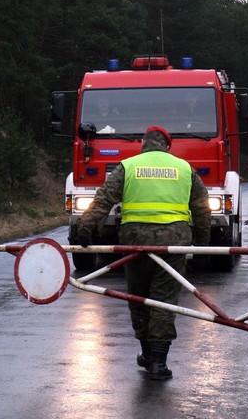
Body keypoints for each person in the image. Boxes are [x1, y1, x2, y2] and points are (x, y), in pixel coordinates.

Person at [76, 126, 210, 381]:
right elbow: (202, 208)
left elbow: (104, 198)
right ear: (166, 146)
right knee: (163, 301)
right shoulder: (183, 168)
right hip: (173, 244)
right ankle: (159, 363)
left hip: (135, 244)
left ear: (144, 145)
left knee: (138, 297)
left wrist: (86, 227)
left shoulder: (128, 166)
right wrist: (203, 244)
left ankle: (146, 353)